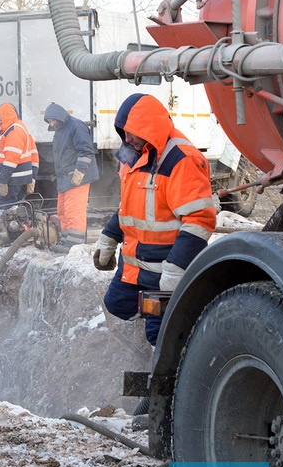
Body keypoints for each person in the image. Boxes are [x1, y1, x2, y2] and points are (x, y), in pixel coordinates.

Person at [93, 93, 216, 348]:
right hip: (136, 267)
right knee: (118, 304)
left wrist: (176, 269)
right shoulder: (133, 154)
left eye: (133, 132)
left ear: (150, 128)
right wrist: (108, 238)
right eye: (124, 131)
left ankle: (176, 349)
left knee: (159, 334)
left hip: (164, 267)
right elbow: (127, 207)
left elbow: (199, 220)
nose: (127, 138)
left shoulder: (182, 160)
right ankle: (172, 317)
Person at [43, 102, 99, 252]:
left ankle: (74, 245)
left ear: (59, 117)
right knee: (63, 211)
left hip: (76, 178)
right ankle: (67, 241)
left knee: (74, 211)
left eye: (52, 120)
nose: (51, 123)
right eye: (49, 122)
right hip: (65, 178)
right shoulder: (61, 130)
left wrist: (79, 172)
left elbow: (86, 151)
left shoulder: (75, 126)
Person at [0, 103, 39, 206]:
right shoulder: (18, 129)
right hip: (17, 180)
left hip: (12, 180)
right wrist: (33, 178)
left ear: (6, 116)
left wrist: (3, 180)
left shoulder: (13, 131)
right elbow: (34, 157)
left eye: (0, 117)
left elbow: (11, 159)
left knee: (5, 211)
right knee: (15, 210)